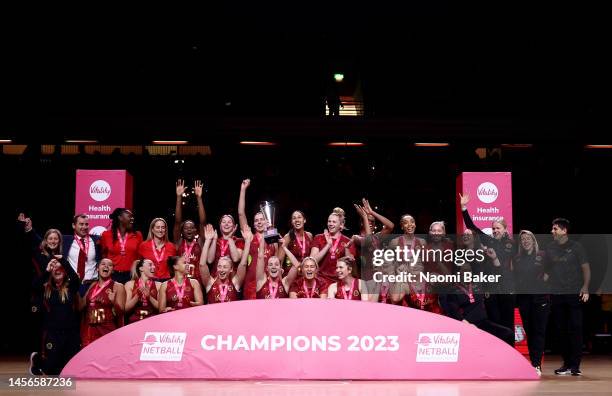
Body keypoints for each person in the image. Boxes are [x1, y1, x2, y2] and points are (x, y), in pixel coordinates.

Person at [460, 193, 516, 333]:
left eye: (498, 228)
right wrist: (464, 208)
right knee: (494, 322)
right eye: (494, 228)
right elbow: (473, 228)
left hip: (506, 288)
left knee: (508, 324)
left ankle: (509, 353)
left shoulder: (511, 243)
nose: (495, 231)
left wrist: (494, 257)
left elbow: (505, 262)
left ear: (505, 229)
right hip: (491, 288)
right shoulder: (489, 240)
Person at [543, 218, 591, 376]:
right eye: (552, 229)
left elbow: (585, 268)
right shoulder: (550, 248)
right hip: (557, 294)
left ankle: (575, 365)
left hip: (574, 293)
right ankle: (566, 364)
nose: (552, 231)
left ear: (564, 231)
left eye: (555, 229)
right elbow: (548, 269)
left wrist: (585, 287)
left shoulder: (577, 247)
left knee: (575, 329)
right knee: (560, 330)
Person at [29, 256, 81, 375]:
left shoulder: (70, 288)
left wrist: (63, 261)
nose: (57, 270)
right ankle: (37, 360)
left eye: (60, 268)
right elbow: (34, 286)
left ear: (64, 271)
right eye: (54, 268)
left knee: (68, 369)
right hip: (52, 332)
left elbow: (75, 278)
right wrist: (47, 270)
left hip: (69, 333)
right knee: (50, 370)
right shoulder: (45, 289)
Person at [439, 265, 514, 346]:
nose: (467, 273)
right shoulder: (453, 291)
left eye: (469, 271)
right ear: (459, 273)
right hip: (466, 326)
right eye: (464, 271)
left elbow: (497, 276)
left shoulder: (478, 285)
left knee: (508, 334)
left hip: (483, 323)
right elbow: (453, 311)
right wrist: (467, 325)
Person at [514, 230, 550, 376]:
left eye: (528, 238)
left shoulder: (542, 255)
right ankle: (533, 362)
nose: (525, 240)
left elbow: (553, 269)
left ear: (533, 240)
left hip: (540, 299)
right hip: (524, 300)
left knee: (539, 332)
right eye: (523, 239)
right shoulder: (517, 258)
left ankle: (536, 364)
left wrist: (547, 278)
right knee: (530, 331)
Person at [237, 179, 277, 299]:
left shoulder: (272, 235)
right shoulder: (249, 236)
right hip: (251, 283)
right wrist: (243, 190)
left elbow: (277, 256)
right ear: (253, 224)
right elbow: (240, 213)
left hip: (270, 282)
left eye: (261, 219)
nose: (259, 222)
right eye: (256, 220)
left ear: (266, 221)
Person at [80, 259, 126, 347]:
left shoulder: (118, 286)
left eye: (110, 265)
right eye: (103, 264)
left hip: (106, 330)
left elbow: (121, 313)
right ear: (97, 268)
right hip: (89, 331)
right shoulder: (93, 285)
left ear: (112, 270)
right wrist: (74, 287)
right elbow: (80, 306)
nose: (106, 266)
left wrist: (114, 301)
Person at [200, 224, 250, 304]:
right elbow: (202, 265)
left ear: (231, 269)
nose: (221, 269)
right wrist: (208, 240)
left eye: (225, 267)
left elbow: (243, 264)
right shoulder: (210, 283)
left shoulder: (235, 283)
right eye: (219, 266)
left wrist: (247, 241)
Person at [351, 199, 395, 280]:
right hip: (363, 277)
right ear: (362, 222)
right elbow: (368, 241)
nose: (371, 223)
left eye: (373, 221)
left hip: (377, 275)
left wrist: (372, 212)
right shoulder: (356, 238)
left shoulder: (377, 237)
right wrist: (364, 217)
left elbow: (391, 226)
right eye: (368, 221)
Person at [173, 180, 207, 282]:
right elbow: (178, 222)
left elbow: (203, 222)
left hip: (197, 282)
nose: (189, 230)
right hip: (180, 282)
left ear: (195, 231)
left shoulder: (200, 243)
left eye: (191, 228)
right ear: (182, 231)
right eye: (186, 228)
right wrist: (179, 197)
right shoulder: (179, 242)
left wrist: (199, 198)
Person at [310, 208, 356, 282]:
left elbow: (350, 263)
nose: (331, 224)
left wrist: (346, 249)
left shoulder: (347, 241)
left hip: (339, 281)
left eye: (334, 222)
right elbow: (312, 261)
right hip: (321, 280)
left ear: (341, 225)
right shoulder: (319, 237)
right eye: (329, 221)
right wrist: (328, 245)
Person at [100, 208, 143, 284]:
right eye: (129, 216)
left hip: (131, 275)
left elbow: (139, 257)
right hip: (112, 275)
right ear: (120, 218)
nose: (132, 218)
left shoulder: (137, 235)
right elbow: (103, 255)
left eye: (132, 216)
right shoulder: (106, 235)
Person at [276, 210, 313, 275]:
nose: (297, 220)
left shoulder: (309, 236)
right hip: (291, 275)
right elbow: (279, 262)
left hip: (306, 273)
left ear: (304, 220)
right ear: (292, 222)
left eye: (299, 217)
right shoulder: (287, 237)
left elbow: (312, 258)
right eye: (294, 218)